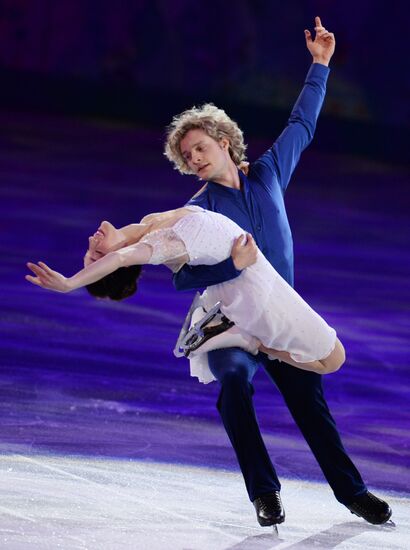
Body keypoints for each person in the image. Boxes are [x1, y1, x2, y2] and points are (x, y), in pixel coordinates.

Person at [162, 16, 392, 527]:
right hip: (231, 324)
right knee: (233, 389)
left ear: (224, 141)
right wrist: (228, 264)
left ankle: (353, 494)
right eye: (186, 155)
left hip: (279, 316)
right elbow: (180, 277)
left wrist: (320, 64)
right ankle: (264, 492)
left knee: (311, 405)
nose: (194, 158)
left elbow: (302, 125)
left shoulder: (267, 176)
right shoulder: (199, 210)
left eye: (200, 147)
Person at [25, 204, 346, 377]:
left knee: (330, 358)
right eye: (96, 254)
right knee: (333, 359)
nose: (92, 240)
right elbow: (122, 255)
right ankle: (253, 341)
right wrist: (69, 283)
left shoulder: (151, 222)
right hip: (256, 295)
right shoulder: (156, 245)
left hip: (253, 277)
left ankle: (244, 335)